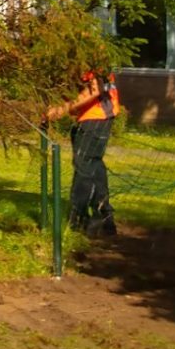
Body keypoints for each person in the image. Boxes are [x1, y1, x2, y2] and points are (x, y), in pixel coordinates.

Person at [47, 68, 120, 238]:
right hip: (92, 117)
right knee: (93, 165)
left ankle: (79, 218)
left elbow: (94, 90)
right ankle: (104, 217)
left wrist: (61, 110)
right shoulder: (76, 56)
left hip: (97, 117)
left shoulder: (92, 55)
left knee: (84, 167)